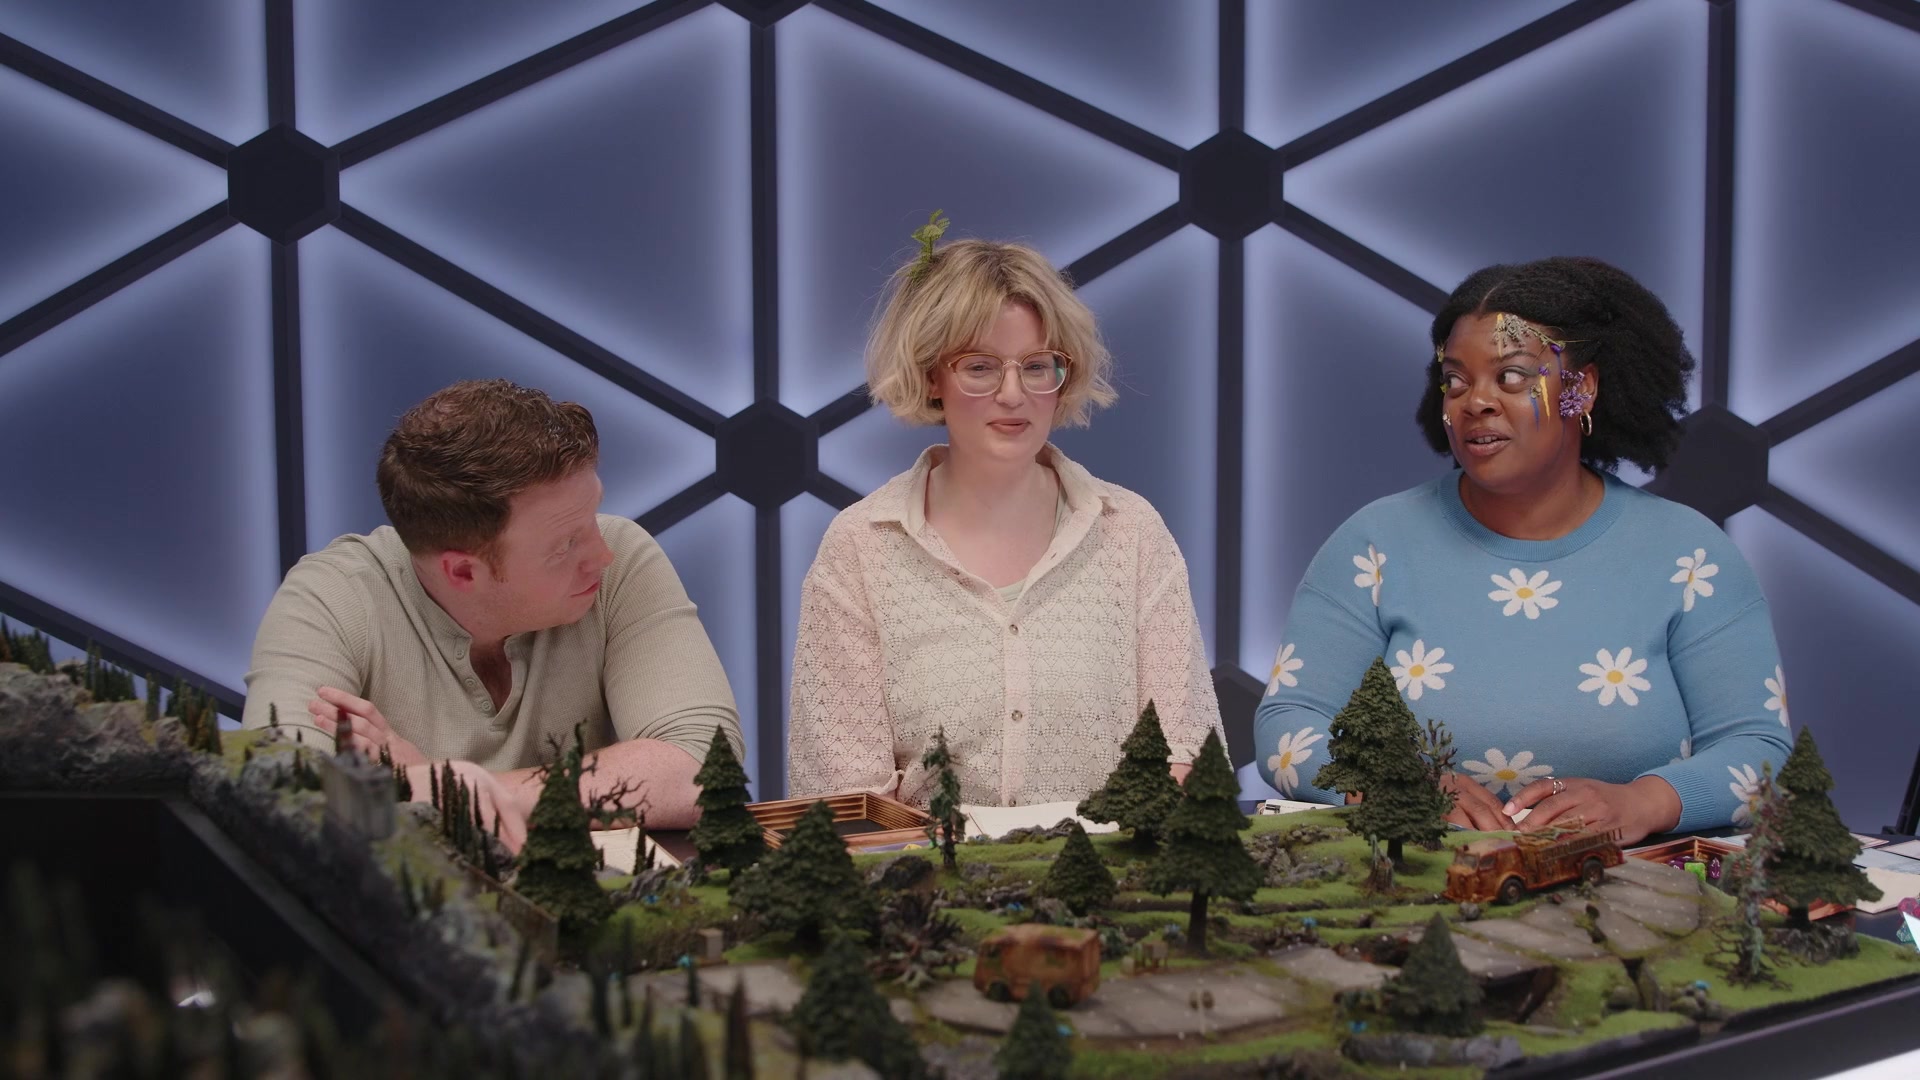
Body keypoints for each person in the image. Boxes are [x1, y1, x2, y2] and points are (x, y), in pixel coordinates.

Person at [1254, 257, 1791, 845]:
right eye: (1456, 380)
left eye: (1510, 377)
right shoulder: (1374, 544)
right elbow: (1287, 728)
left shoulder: (1690, 556)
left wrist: (1643, 802)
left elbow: (1759, 751)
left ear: (1580, 389)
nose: (1475, 402)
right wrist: (1393, 784)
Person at [786, 227, 1223, 807]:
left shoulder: (1131, 531)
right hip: (921, 866)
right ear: (931, 375)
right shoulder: (861, 546)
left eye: (1037, 366)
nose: (1013, 394)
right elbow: (845, 797)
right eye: (980, 367)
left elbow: (1186, 755)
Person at [242, 379, 742, 847]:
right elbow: (281, 802)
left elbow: (703, 769)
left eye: (592, 515)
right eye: (565, 544)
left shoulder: (623, 562)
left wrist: (440, 789)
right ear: (463, 572)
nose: (602, 553)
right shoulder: (332, 598)